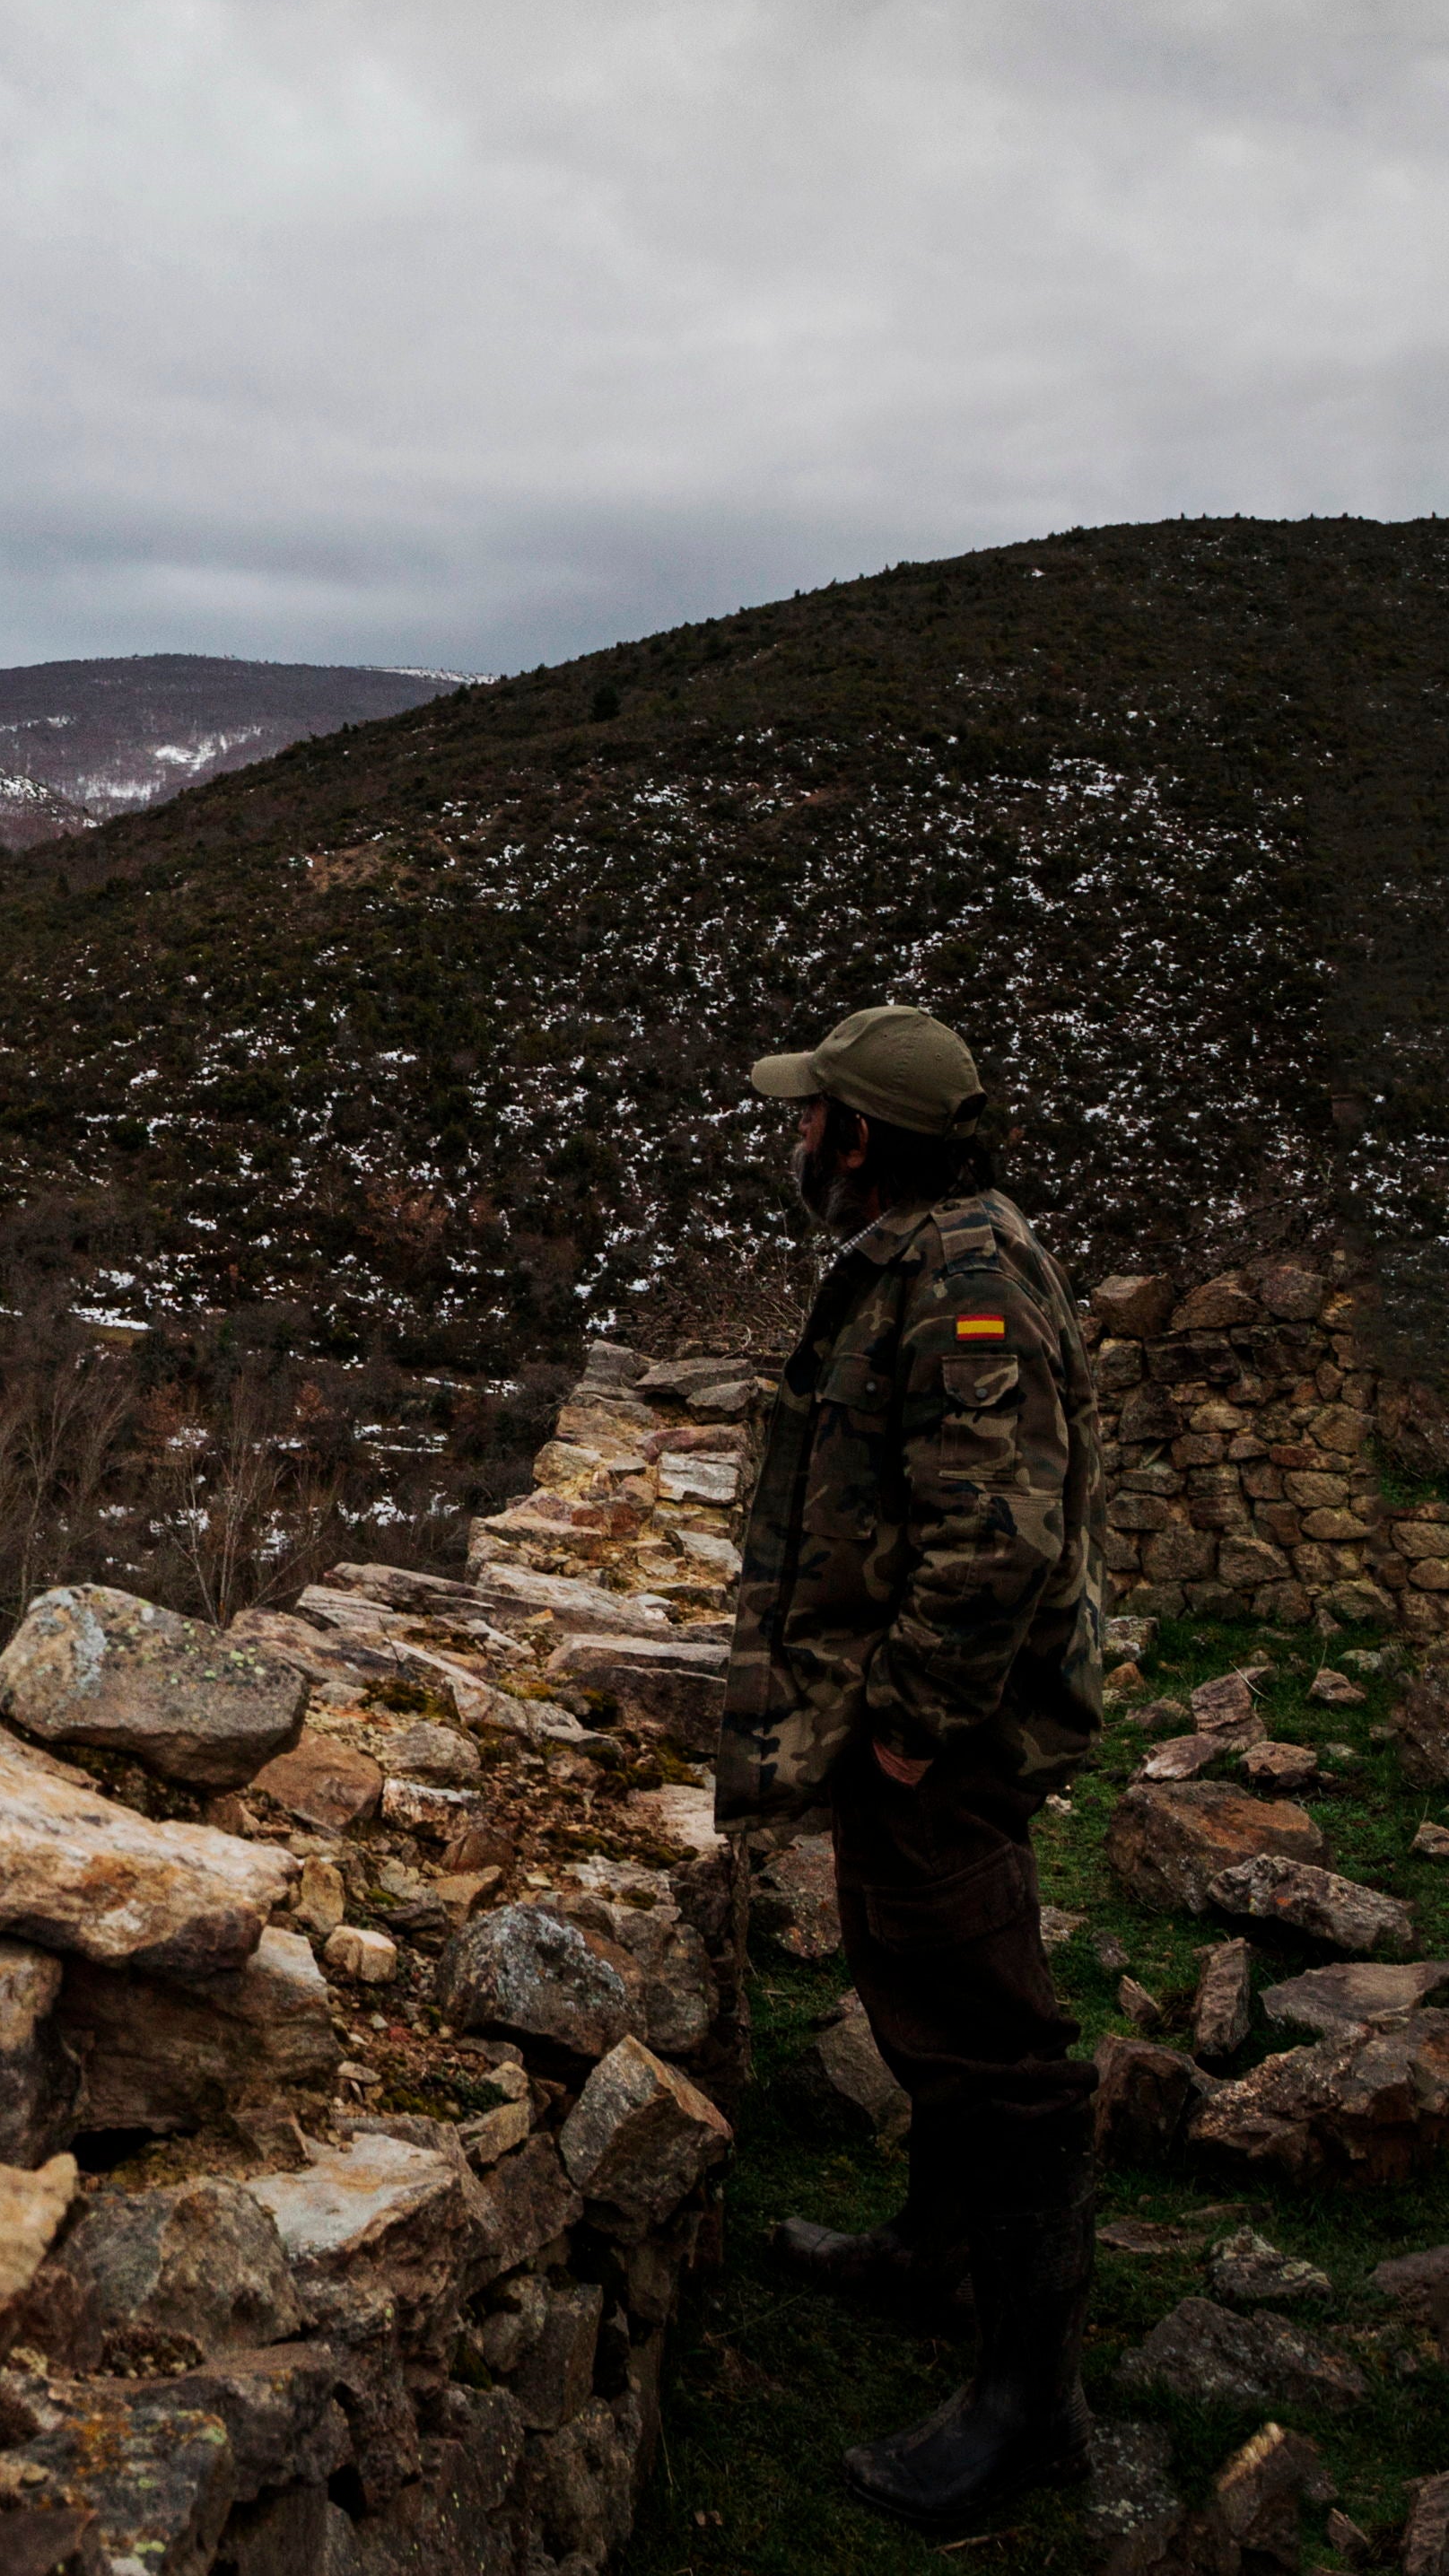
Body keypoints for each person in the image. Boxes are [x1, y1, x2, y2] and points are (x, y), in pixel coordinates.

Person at [717, 1003, 1110, 2530]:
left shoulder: (961, 1279)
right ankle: (937, 2253)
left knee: (992, 2034)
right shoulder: (925, 1249)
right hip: (915, 1726)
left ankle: (1027, 2411)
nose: (795, 1131)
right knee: (911, 1981)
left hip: (941, 1736)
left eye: (813, 1112)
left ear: (862, 1136)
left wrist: (905, 1720)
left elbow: (994, 1534)